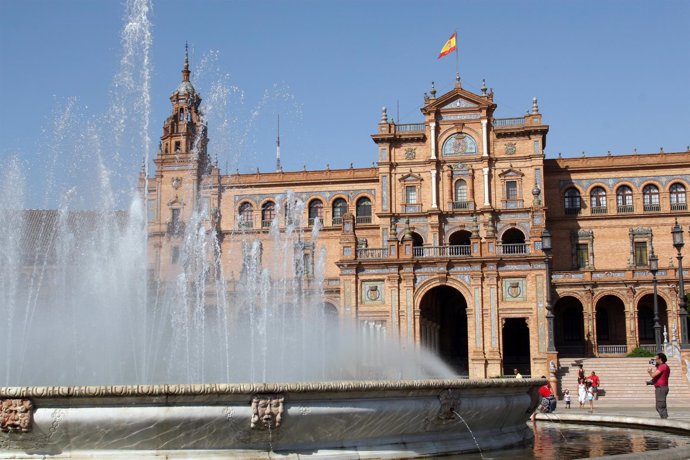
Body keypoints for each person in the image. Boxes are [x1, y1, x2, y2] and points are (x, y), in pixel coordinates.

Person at [647, 352, 670, 419]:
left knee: (660, 406)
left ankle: (665, 422)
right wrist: (651, 382)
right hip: (660, 388)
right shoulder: (662, 366)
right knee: (660, 406)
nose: (655, 360)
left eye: (656, 359)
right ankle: (664, 420)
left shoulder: (663, 366)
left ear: (660, 359)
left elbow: (653, 375)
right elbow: (658, 378)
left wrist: (650, 371)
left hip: (661, 388)